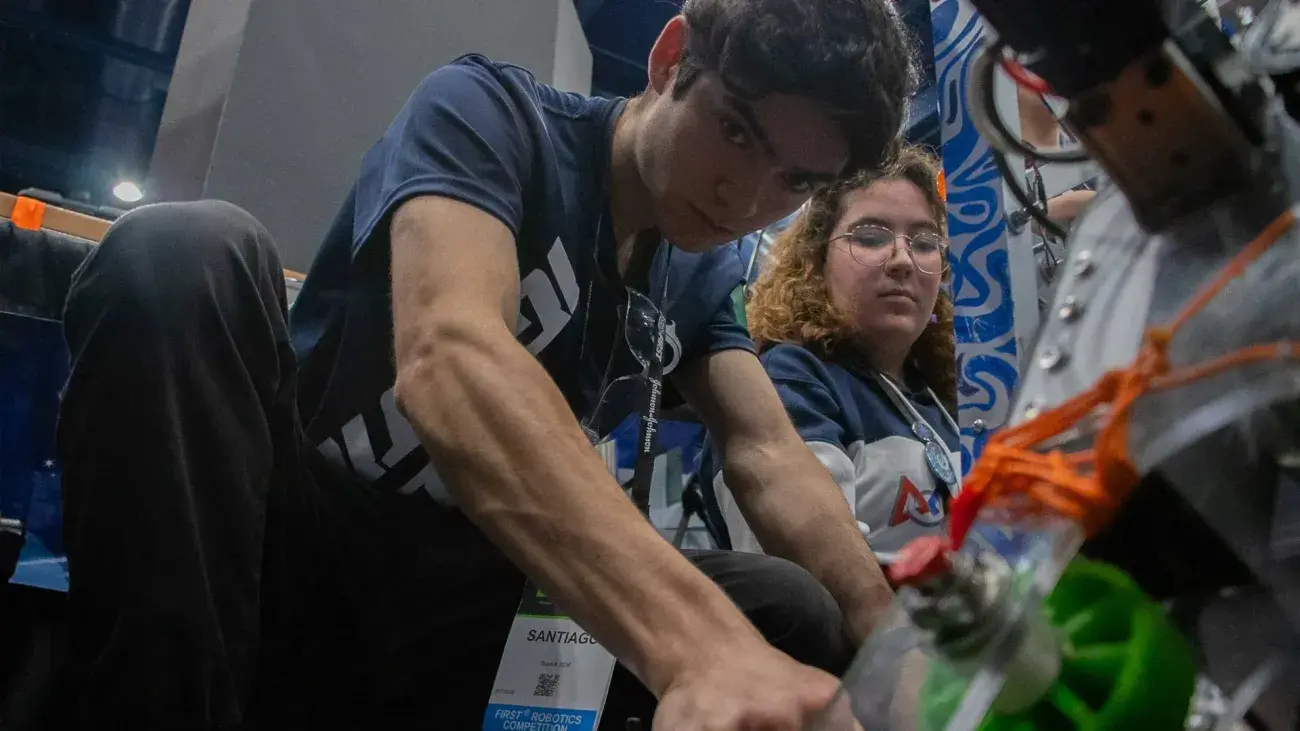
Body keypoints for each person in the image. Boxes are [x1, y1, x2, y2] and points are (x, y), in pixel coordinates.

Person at [49, 0, 916, 729]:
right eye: (734, 131)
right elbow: (452, 355)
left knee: (788, 606)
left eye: (794, 182)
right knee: (181, 252)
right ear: (670, 59)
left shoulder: (698, 273)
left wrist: (900, 644)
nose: (746, 198)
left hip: (467, 605)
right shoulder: (493, 116)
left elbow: (768, 454)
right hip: (302, 547)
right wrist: (698, 646)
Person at [711, 146, 961, 563]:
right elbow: (816, 576)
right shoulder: (791, 378)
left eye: (924, 242)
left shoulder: (940, 393)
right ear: (816, 260)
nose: (902, 260)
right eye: (870, 237)